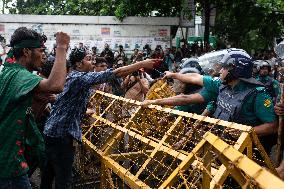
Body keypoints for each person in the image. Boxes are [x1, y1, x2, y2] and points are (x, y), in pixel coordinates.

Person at [40, 47, 160, 189]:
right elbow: (115, 73)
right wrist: (141, 64)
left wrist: (84, 110)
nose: (92, 62)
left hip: (52, 132)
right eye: (89, 59)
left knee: (48, 175)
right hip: (62, 135)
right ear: (78, 64)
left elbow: (68, 101)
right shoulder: (79, 78)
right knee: (64, 179)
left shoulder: (71, 77)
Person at [142, 49, 277, 152]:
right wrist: (173, 74)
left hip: (252, 150)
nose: (220, 71)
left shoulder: (258, 95)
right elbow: (195, 77)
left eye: (224, 68)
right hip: (227, 144)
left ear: (235, 71)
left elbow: (272, 126)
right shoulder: (222, 85)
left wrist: (247, 131)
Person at [0, 27, 70, 188]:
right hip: (9, 167)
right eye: (40, 50)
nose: (43, 55)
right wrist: (61, 47)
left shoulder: (8, 72)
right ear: (26, 51)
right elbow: (56, 85)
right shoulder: (20, 76)